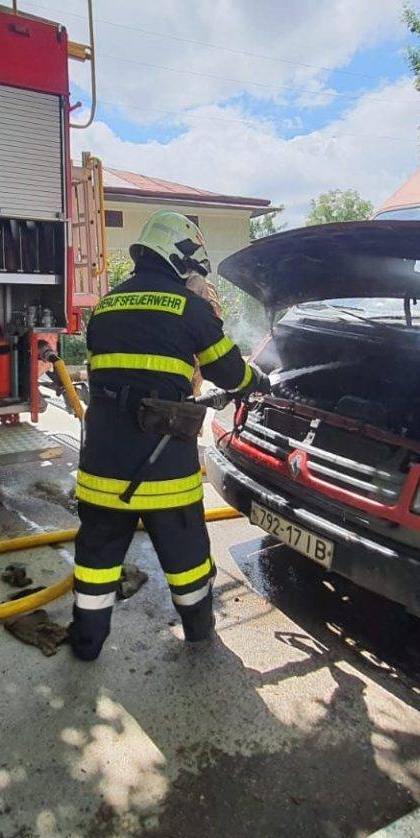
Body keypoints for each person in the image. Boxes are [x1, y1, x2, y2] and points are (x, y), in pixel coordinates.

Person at [71, 210, 266, 660]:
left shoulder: (107, 305)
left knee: (96, 560)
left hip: (102, 461)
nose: (196, 276)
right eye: (194, 267)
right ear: (179, 258)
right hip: (164, 464)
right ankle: (198, 633)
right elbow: (229, 373)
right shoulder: (188, 307)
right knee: (187, 557)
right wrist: (255, 380)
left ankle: (86, 644)